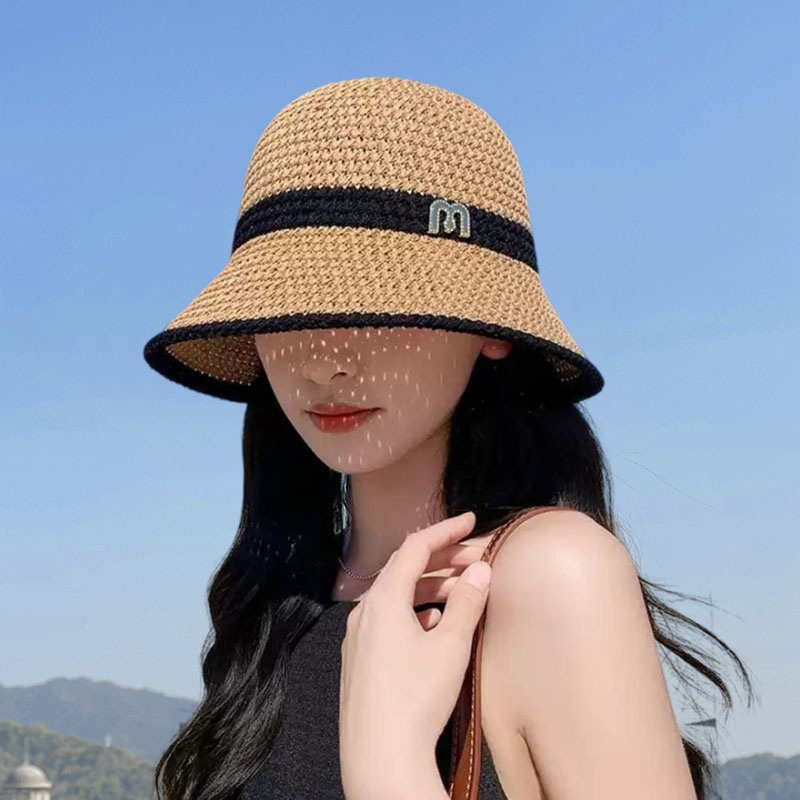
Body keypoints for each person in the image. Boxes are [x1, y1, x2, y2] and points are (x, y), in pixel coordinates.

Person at [143, 77, 754, 799]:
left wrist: (392, 760)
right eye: (289, 306)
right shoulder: (275, 606)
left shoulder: (552, 576)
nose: (325, 359)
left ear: (490, 327)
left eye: (378, 301)